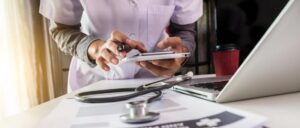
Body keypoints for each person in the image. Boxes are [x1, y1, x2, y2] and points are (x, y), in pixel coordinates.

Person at [39, 0, 203, 90]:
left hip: (157, 85)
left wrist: (181, 54)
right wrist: (95, 48)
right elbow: (61, 29)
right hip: (95, 84)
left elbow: (185, 30)